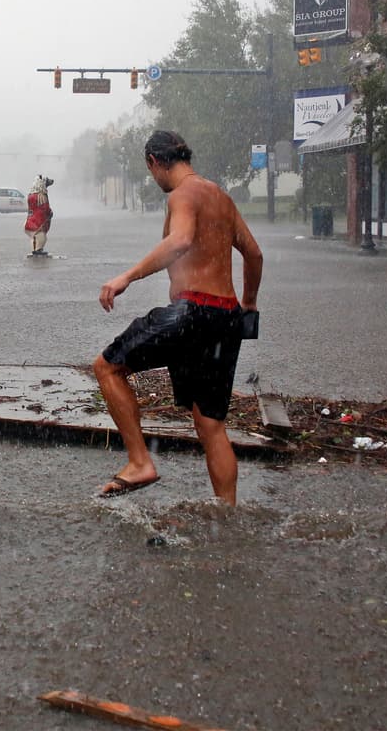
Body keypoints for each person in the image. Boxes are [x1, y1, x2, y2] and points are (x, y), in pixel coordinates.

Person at [93, 130, 262, 505]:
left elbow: (181, 240)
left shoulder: (183, 194)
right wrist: (248, 304)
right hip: (225, 318)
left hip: (191, 313)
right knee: (211, 426)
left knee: (107, 368)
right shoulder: (220, 196)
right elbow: (254, 255)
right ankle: (227, 515)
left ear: (154, 162)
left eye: (150, 170)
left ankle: (139, 462)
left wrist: (127, 276)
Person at [24, 174, 54, 256]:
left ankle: (35, 249)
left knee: (34, 237)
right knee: (42, 237)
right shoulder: (41, 196)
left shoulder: (31, 195)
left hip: (29, 221)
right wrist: (50, 212)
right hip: (38, 223)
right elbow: (45, 208)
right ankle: (37, 250)